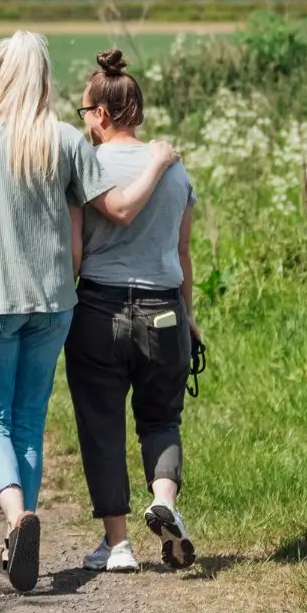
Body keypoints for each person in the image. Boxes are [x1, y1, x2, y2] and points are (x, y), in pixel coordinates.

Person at [0, 31, 179, 594]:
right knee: (28, 420)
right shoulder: (66, 141)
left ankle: (17, 519)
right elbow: (90, 220)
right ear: (43, 78)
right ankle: (20, 533)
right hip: (53, 305)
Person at [68, 49, 200, 574]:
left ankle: (117, 544)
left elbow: (76, 249)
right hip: (166, 311)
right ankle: (163, 499)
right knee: (162, 417)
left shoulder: (88, 165)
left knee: (101, 424)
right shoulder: (174, 167)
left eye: (83, 113)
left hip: (99, 309)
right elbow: (184, 251)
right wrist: (188, 314)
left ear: (101, 114)